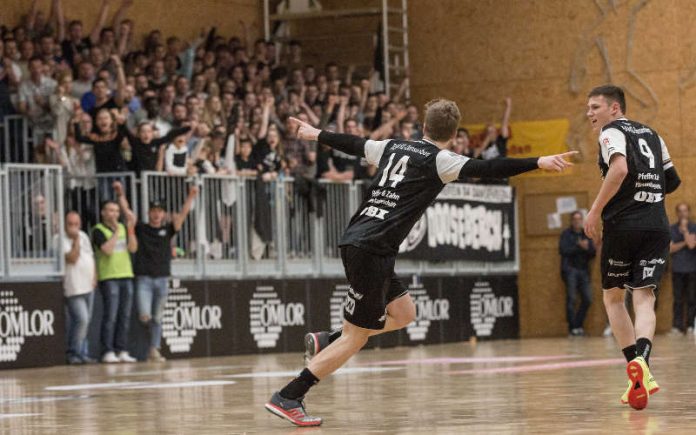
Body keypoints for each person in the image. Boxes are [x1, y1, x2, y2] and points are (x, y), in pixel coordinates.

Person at [265, 99, 576, 427]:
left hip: (363, 241)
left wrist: (316, 134)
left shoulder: (393, 147)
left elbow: (354, 144)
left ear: (423, 127)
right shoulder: (442, 160)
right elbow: (487, 169)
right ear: (454, 135)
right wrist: (539, 161)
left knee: (404, 314)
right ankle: (289, 395)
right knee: (356, 337)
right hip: (372, 247)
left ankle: (327, 339)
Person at [583, 85, 681, 410]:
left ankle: (634, 365)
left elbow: (620, 168)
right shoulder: (653, 134)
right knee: (644, 297)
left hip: (623, 226)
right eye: (588, 108)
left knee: (613, 297)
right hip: (656, 225)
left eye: (595, 106)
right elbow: (673, 180)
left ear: (615, 108)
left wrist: (595, 211)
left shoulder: (610, 131)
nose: (590, 113)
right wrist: (648, 197)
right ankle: (644, 366)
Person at [114, 181, 198, 362]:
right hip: (144, 278)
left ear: (164, 214)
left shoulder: (168, 230)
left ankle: (154, 349)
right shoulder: (142, 228)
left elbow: (182, 215)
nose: (156, 214)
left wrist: (191, 197)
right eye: (154, 210)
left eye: (160, 211)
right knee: (145, 316)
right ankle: (146, 344)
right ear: (149, 212)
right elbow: (127, 213)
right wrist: (120, 195)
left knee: (158, 318)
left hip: (162, 279)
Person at [92, 196, 138, 363]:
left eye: (117, 211)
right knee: (110, 316)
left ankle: (122, 349)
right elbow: (107, 250)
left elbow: (133, 248)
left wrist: (130, 229)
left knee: (124, 316)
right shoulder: (97, 230)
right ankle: (107, 351)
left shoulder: (124, 228)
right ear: (103, 213)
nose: (114, 214)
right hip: (109, 276)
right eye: (111, 210)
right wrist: (117, 231)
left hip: (126, 275)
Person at [60, 211, 96, 364]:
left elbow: (91, 257)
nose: (74, 228)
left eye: (76, 224)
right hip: (73, 287)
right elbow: (72, 258)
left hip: (88, 285)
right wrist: (75, 241)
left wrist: (95, 276)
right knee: (82, 319)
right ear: (65, 224)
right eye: (70, 224)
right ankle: (73, 353)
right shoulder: (60, 239)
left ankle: (83, 352)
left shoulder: (84, 236)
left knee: (86, 322)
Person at [559, 211, 596, 336]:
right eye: (574, 219)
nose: (577, 221)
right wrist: (578, 246)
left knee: (587, 299)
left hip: (584, 271)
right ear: (571, 221)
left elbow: (593, 253)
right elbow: (563, 250)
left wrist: (586, 248)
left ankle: (578, 325)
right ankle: (572, 328)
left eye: (579, 219)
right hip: (570, 270)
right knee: (571, 299)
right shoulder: (566, 234)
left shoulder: (586, 234)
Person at [669, 202, 696, 334]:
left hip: (692, 269)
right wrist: (686, 240)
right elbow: (670, 249)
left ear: (689, 212)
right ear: (677, 213)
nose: (682, 213)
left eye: (685, 211)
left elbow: (692, 246)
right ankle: (677, 326)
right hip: (677, 269)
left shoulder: (694, 227)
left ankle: (690, 325)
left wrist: (685, 231)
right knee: (678, 299)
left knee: (692, 298)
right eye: (680, 211)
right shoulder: (672, 228)